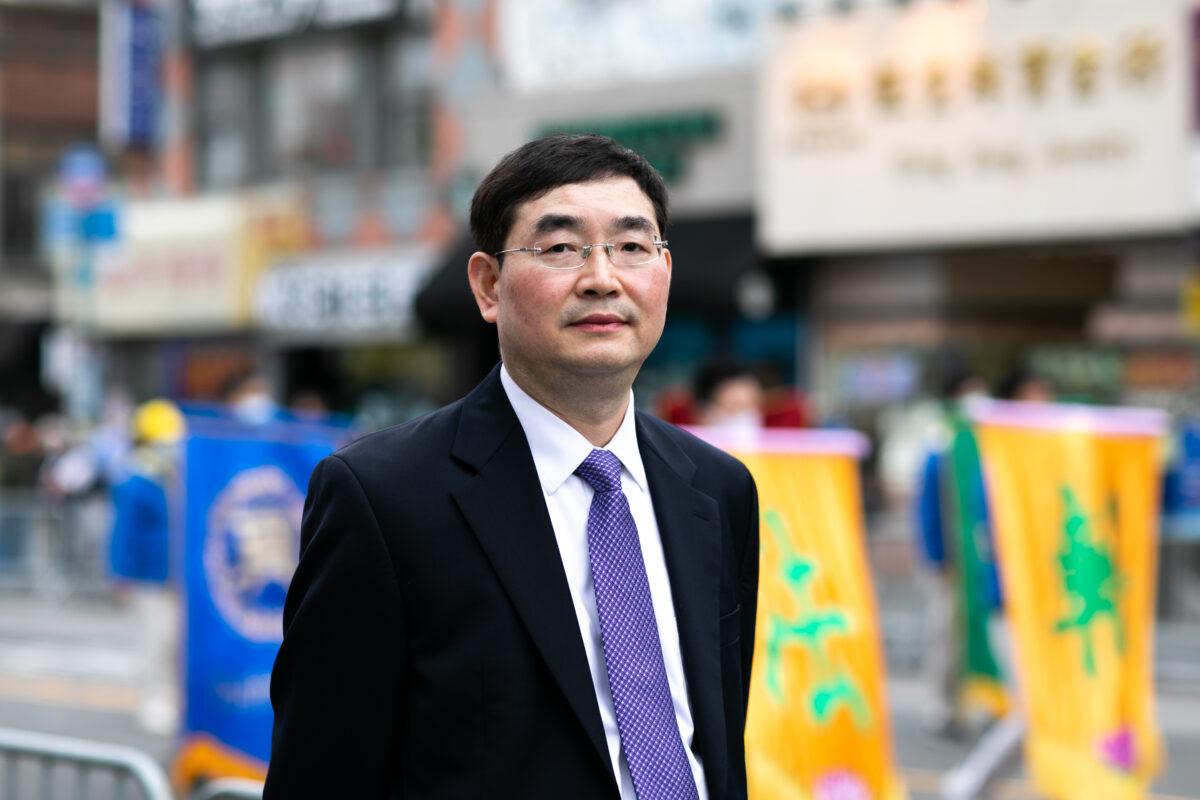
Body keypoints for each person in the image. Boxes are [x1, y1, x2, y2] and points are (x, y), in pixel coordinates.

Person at [265, 134, 760, 799]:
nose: (602, 277)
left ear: (664, 272)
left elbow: (718, 742)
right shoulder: (384, 499)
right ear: (488, 285)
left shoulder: (718, 491)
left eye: (633, 246)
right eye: (560, 248)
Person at [108, 398, 185, 735]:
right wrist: (119, 573)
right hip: (149, 576)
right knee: (155, 640)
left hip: (179, 575)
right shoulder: (135, 481)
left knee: (176, 641)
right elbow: (123, 533)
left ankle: (175, 699)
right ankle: (154, 700)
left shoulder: (177, 480)